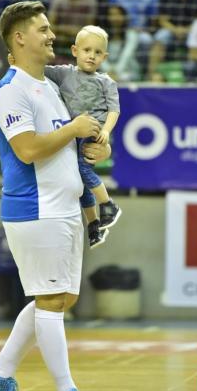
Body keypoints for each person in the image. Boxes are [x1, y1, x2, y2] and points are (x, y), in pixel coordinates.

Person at [0, 0, 111, 391]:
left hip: (66, 208)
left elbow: (68, 146)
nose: (53, 35)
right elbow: (29, 149)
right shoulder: (10, 90)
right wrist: (73, 128)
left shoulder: (52, 87)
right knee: (51, 299)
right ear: (19, 38)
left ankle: (0, 373)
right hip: (35, 211)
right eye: (43, 29)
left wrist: (95, 146)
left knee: (60, 298)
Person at [42, 25, 122, 249]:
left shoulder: (106, 82)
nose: (92, 56)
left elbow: (114, 110)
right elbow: (37, 69)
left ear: (104, 57)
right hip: (72, 133)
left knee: (84, 170)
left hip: (94, 131)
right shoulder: (63, 73)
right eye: (87, 50)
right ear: (75, 51)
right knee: (81, 181)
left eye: (98, 53)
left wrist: (105, 131)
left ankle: (108, 205)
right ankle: (93, 224)